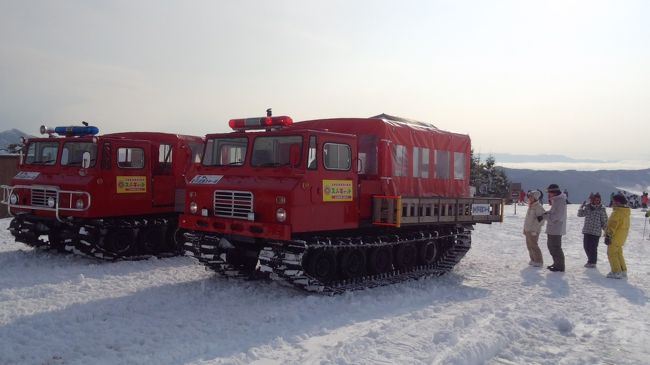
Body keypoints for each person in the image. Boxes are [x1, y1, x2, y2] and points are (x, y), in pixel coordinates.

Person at [577, 192, 608, 268]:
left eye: (598, 200)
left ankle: (592, 262)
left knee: (593, 247)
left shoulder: (602, 209)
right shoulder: (587, 207)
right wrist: (581, 207)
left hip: (596, 232)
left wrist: (606, 231)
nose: (597, 201)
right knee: (586, 246)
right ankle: (590, 259)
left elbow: (604, 221)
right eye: (595, 200)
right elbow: (580, 215)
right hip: (587, 230)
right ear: (592, 200)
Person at [604, 193, 631, 279]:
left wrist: (608, 236)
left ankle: (616, 271)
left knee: (611, 253)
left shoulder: (617, 213)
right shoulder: (625, 212)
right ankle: (623, 270)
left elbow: (612, 225)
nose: (613, 203)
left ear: (618, 202)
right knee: (618, 253)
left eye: (614, 201)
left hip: (615, 237)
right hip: (621, 237)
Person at [544, 184, 567, 272]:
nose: (548, 194)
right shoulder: (556, 200)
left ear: (554, 192)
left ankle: (560, 266)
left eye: (549, 192)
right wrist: (546, 213)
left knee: (556, 247)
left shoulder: (560, 201)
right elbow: (553, 212)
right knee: (551, 246)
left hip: (556, 228)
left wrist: (547, 217)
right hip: (553, 228)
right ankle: (556, 263)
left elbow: (557, 216)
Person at [523, 190, 546, 267]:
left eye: (531, 196)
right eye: (529, 196)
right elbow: (528, 219)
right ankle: (533, 259)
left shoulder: (538, 207)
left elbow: (541, 219)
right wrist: (525, 229)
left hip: (533, 230)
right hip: (528, 229)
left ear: (535, 198)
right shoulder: (531, 206)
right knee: (529, 245)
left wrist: (534, 229)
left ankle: (539, 260)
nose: (529, 198)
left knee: (534, 245)